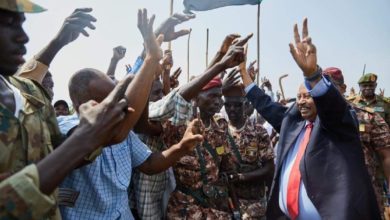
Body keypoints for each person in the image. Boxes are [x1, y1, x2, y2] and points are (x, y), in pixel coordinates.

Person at [0, 1, 142, 219]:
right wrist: (83, 139)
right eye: (8, 23)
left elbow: (58, 152)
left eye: (21, 24)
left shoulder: (27, 94)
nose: (24, 37)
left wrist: (92, 134)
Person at [59, 10, 204, 220]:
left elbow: (150, 164)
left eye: (118, 94)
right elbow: (111, 133)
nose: (119, 102)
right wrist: (152, 58)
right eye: (109, 98)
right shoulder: (63, 128)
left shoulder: (125, 134)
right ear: (81, 104)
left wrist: (182, 147)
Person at [240, 18, 380, 219]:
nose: (302, 102)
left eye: (308, 96)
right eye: (299, 97)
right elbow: (265, 105)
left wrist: (312, 74)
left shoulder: (338, 125)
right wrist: (244, 74)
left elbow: (333, 107)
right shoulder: (293, 123)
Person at [323, 67, 390, 218]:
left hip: (364, 189)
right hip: (325, 193)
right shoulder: (308, 118)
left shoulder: (368, 116)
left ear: (343, 88)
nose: (324, 92)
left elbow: (386, 155)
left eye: (329, 86)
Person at [221, 70, 274, 219]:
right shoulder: (219, 130)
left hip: (254, 204)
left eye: (237, 105)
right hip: (228, 202)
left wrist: (242, 177)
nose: (232, 109)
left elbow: (269, 169)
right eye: (228, 105)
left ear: (245, 104)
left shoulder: (258, 132)